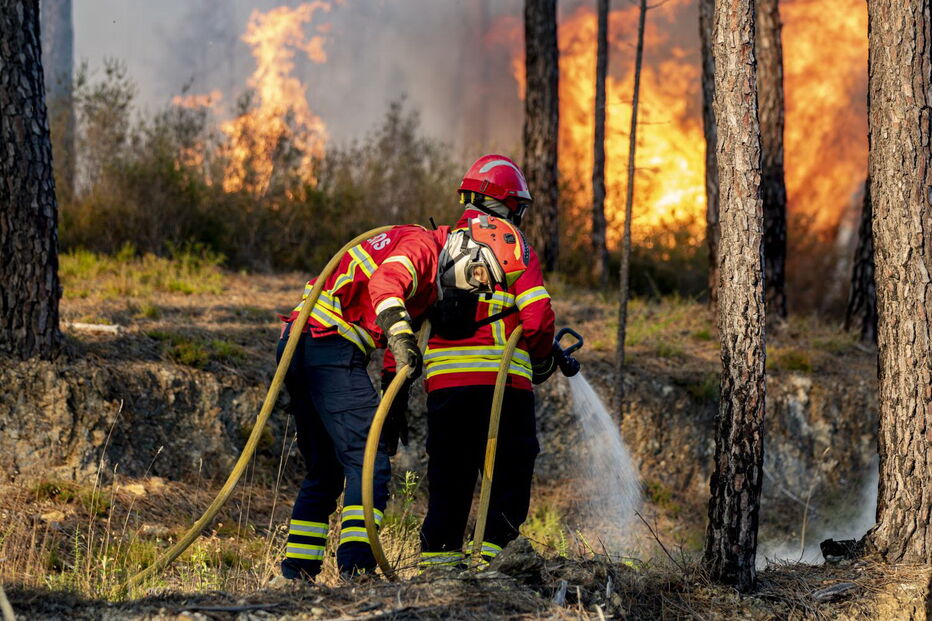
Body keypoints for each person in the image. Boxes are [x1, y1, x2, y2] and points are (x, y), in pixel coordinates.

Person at [278, 215, 528, 581]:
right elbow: (385, 284)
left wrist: (393, 403)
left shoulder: (429, 266)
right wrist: (400, 335)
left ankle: (296, 575)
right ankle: (358, 572)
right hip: (328, 344)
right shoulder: (424, 248)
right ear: (466, 252)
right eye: (479, 276)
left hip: (302, 341)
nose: (478, 289)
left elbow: (401, 347)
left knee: (326, 470)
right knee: (369, 464)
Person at [414, 154, 559, 569]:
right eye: (517, 206)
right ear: (505, 204)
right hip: (502, 385)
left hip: (444, 387)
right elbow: (538, 316)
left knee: (449, 478)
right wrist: (544, 358)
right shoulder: (513, 244)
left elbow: (411, 313)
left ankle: (438, 574)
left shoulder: (435, 243)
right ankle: (496, 569)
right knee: (509, 478)